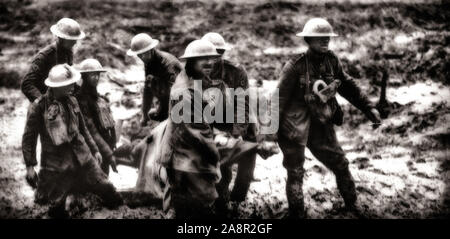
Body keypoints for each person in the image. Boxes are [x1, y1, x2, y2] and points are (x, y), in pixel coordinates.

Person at [274, 18, 382, 218]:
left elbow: (347, 85)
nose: (325, 41)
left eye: (327, 37)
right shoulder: (294, 66)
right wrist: (268, 134)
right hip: (293, 125)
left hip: (320, 123)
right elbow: (277, 100)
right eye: (319, 38)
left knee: (341, 163)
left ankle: (352, 207)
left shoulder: (332, 61)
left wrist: (368, 108)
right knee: (295, 172)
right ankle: (297, 214)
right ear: (308, 39)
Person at [22, 64, 123, 218]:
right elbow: (29, 138)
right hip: (57, 166)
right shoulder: (39, 107)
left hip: (84, 158)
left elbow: (84, 130)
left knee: (109, 190)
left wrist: (95, 150)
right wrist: (30, 165)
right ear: (57, 86)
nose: (73, 86)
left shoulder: (73, 101)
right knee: (55, 208)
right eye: (68, 84)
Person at [158, 39, 222, 219]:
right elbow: (197, 132)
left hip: (181, 156)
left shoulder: (190, 79)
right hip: (186, 161)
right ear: (191, 62)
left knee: (179, 208)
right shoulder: (185, 90)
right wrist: (215, 158)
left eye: (211, 58)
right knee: (205, 205)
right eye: (203, 59)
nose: (209, 62)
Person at [201, 32, 259, 213]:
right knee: (219, 165)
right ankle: (219, 200)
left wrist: (234, 135)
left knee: (247, 160)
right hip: (212, 120)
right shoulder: (194, 73)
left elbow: (242, 107)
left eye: (218, 53)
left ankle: (239, 199)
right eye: (209, 53)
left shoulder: (236, 72)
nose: (213, 58)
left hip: (238, 119)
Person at [21, 18, 85, 102]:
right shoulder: (44, 56)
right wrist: (42, 102)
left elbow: (67, 78)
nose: (75, 42)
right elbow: (27, 84)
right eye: (71, 40)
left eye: (75, 39)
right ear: (62, 38)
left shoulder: (68, 52)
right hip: (46, 101)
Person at [127, 33, 182, 126]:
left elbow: (176, 93)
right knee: (151, 116)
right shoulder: (149, 62)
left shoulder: (168, 64)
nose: (141, 58)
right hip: (167, 100)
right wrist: (144, 114)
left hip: (184, 101)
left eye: (143, 54)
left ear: (151, 50)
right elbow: (147, 90)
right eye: (139, 55)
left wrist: (171, 119)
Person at [75, 59, 118, 175]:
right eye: (92, 75)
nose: (96, 78)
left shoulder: (100, 98)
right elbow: (90, 129)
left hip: (105, 145)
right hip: (92, 148)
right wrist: (108, 153)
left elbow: (110, 124)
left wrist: (112, 143)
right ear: (84, 76)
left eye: (98, 74)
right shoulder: (81, 99)